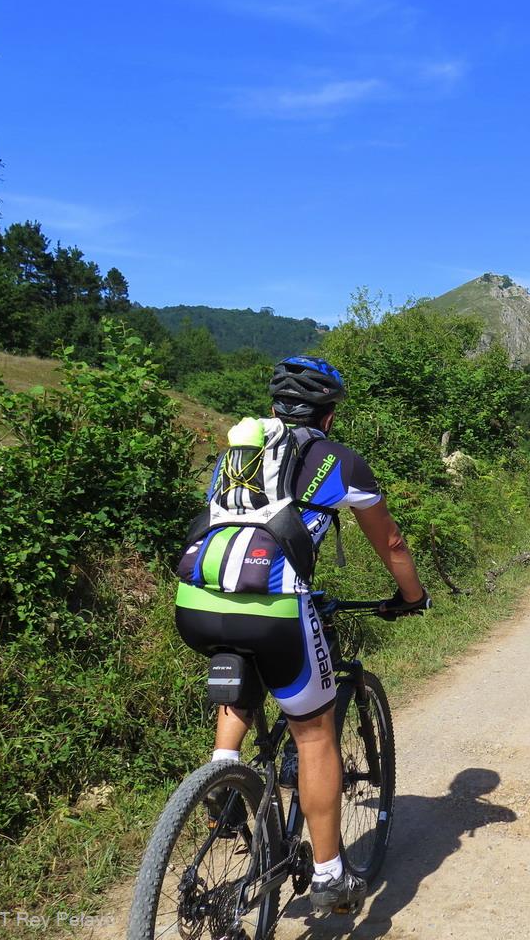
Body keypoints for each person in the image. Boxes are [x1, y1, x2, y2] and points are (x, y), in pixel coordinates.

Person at [173, 356, 430, 915]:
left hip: (195, 602)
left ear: (273, 408)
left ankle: (223, 777)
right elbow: (390, 543)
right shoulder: (340, 460)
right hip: (276, 609)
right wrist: (412, 596)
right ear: (329, 416)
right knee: (313, 734)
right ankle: (331, 874)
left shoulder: (236, 454)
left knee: (243, 680)